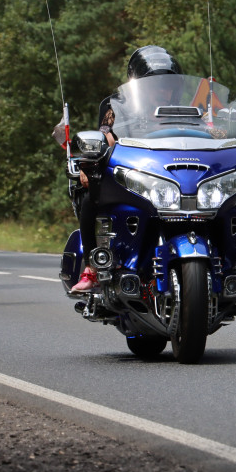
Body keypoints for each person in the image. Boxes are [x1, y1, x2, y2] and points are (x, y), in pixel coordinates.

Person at [71, 46, 184, 292]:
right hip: (134, 173)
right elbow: (106, 135)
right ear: (139, 83)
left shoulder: (188, 109)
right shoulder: (117, 106)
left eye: (168, 83)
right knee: (92, 198)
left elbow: (209, 130)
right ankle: (92, 267)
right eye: (155, 84)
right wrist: (92, 158)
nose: (163, 90)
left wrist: (221, 131)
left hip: (174, 177)